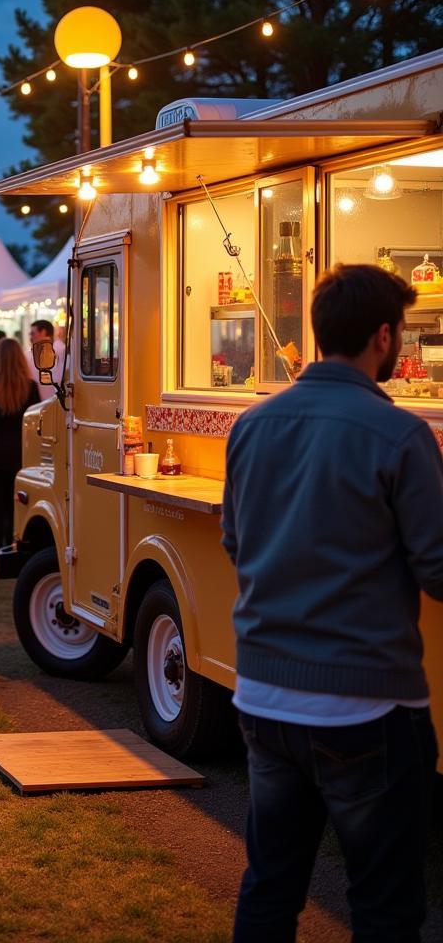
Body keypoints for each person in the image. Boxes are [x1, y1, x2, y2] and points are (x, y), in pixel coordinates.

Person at [221, 264, 443, 943]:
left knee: (270, 885)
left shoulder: (251, 426)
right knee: (384, 901)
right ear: (384, 337)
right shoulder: (400, 434)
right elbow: (437, 568)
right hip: (366, 704)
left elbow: (235, 541)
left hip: (261, 694)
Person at [0, 338, 40, 572]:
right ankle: (11, 550)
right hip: (19, 454)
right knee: (14, 508)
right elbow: (34, 419)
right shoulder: (30, 387)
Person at [25, 319, 65, 402]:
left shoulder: (60, 350)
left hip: (52, 401)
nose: (30, 337)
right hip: (47, 401)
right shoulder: (61, 349)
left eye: (32, 334)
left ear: (43, 332)